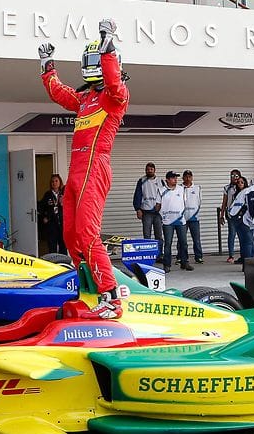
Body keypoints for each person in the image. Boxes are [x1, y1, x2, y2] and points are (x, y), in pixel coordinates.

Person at [40, 18, 129, 319]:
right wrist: (47, 66)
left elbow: (115, 83)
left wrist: (108, 47)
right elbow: (58, 93)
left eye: (98, 58)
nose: (92, 64)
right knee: (70, 236)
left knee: (89, 235)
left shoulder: (114, 98)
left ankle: (112, 299)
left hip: (95, 169)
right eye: (91, 58)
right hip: (76, 174)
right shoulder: (85, 99)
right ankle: (89, 290)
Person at [157, 171, 191, 272]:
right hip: (167, 222)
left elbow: (185, 203)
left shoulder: (181, 189)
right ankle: (167, 265)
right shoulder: (161, 190)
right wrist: (162, 215)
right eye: (173, 178)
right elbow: (158, 205)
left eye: (176, 178)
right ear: (167, 179)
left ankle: (185, 263)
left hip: (180, 220)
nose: (175, 179)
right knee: (168, 243)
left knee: (183, 243)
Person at [228, 175, 254, 264]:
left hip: (245, 220)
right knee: (244, 241)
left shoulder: (248, 192)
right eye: (238, 182)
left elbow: (251, 206)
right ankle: (246, 260)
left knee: (248, 242)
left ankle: (248, 261)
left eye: (242, 182)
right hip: (238, 220)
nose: (240, 183)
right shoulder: (238, 193)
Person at [133, 162, 162, 240]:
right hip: (146, 212)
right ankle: (148, 252)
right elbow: (137, 195)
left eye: (151, 169)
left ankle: (159, 252)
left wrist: (161, 205)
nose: (149, 171)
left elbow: (164, 196)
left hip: (158, 213)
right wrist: (138, 209)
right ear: (145, 170)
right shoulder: (141, 181)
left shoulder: (160, 181)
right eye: (147, 169)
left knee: (159, 235)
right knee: (147, 235)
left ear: (154, 170)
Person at [39, 174, 65, 254]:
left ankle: (63, 264)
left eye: (56, 181)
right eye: (52, 181)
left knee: (63, 246)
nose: (54, 183)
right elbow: (41, 207)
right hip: (51, 224)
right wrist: (44, 217)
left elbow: (70, 207)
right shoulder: (48, 194)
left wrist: (63, 204)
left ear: (60, 182)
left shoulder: (64, 193)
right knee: (52, 247)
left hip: (62, 223)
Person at [219, 170, 241, 263]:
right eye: (232, 176)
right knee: (231, 234)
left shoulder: (242, 187)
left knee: (242, 235)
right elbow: (224, 202)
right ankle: (231, 255)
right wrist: (222, 215)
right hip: (230, 215)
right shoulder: (227, 188)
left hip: (240, 215)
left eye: (236, 176)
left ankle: (243, 254)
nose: (234, 177)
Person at [182, 169, 203, 264]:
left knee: (196, 239)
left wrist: (195, 213)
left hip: (194, 218)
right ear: (183, 178)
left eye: (189, 176)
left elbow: (199, 202)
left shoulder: (197, 188)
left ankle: (198, 257)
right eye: (186, 176)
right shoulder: (179, 188)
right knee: (182, 239)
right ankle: (181, 257)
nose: (188, 178)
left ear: (192, 177)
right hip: (182, 217)